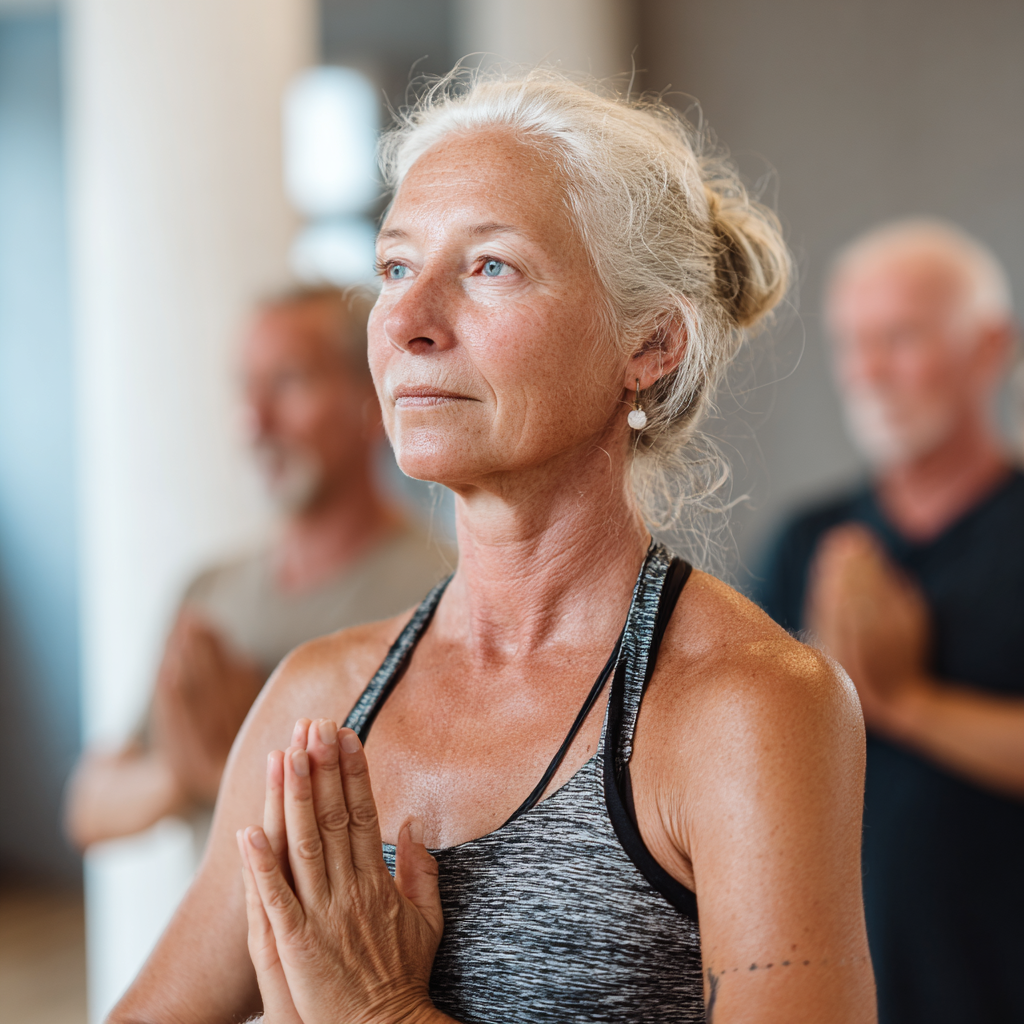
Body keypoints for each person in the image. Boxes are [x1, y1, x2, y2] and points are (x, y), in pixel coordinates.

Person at [108, 69, 876, 1024]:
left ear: (651, 343)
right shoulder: (320, 702)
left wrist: (383, 1012)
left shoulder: (750, 708)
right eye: (395, 266)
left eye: (490, 267)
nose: (407, 321)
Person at [66, 286, 452, 849]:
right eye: (246, 387)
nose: (255, 420)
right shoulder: (209, 590)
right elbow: (89, 810)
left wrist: (235, 767)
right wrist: (182, 774)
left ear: (373, 400)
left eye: (289, 382)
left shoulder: (446, 588)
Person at [755, 220, 1024, 1024]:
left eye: (900, 339)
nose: (868, 372)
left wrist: (899, 700)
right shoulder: (808, 540)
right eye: (851, 343)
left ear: (989, 349)